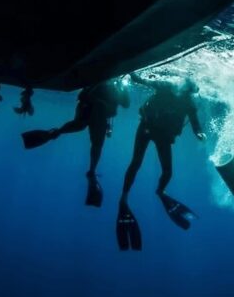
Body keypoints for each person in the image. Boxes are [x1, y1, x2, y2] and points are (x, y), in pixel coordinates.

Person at [116, 74, 205, 251]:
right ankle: (124, 198)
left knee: (168, 172)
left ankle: (160, 191)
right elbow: (144, 81)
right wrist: (131, 75)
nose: (186, 93)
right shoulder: (166, 86)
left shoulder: (188, 102)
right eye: (186, 90)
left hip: (163, 135)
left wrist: (199, 133)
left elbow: (195, 122)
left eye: (189, 92)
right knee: (136, 162)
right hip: (147, 127)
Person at [20, 78, 130, 207]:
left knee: (80, 126)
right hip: (96, 110)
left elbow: (123, 103)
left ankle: (55, 133)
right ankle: (91, 171)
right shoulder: (110, 86)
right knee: (96, 142)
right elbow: (124, 103)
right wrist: (122, 90)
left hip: (86, 108)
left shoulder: (110, 86)